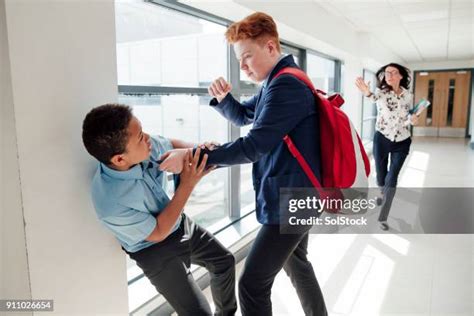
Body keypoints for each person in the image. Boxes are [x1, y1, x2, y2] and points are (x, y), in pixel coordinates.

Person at [159, 12, 327, 316]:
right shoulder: (274, 82)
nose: (243, 66)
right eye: (239, 60)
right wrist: (224, 99)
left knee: (251, 284)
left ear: (271, 48)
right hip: (298, 194)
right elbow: (245, 117)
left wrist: (192, 157)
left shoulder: (285, 86)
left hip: (293, 199)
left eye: (247, 56)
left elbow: (253, 146)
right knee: (298, 264)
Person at [81, 104, 237, 316]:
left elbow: (172, 145)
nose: (147, 138)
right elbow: (158, 232)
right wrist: (188, 183)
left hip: (180, 225)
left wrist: (199, 151)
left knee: (224, 261)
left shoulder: (143, 146)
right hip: (154, 250)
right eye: (139, 137)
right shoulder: (110, 202)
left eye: (142, 131)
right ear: (119, 159)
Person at [355, 63, 418, 231]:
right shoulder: (380, 93)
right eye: (386, 73)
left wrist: (412, 120)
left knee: (392, 178)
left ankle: (383, 216)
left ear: (400, 76)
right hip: (382, 138)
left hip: (402, 140)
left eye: (393, 72)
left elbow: (406, 117)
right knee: (381, 177)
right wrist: (366, 92)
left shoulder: (407, 95)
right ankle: (383, 193)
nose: (388, 75)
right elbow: (371, 97)